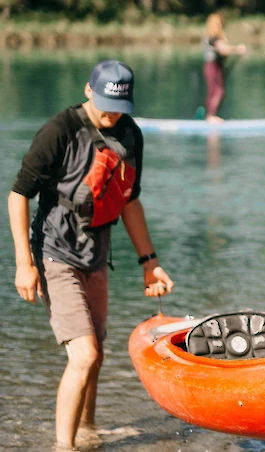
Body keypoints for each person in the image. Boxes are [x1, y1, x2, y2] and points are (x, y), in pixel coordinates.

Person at [8, 59, 175, 451]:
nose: (111, 113)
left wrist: (149, 262)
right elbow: (18, 195)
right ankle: (63, 447)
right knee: (82, 356)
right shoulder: (59, 131)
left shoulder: (130, 134)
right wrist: (23, 264)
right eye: (104, 103)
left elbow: (129, 201)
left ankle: (87, 430)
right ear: (88, 90)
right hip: (54, 252)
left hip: (96, 254)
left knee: (96, 355)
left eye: (119, 106)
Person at [202, 12, 247, 124]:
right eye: (219, 23)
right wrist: (237, 49)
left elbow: (223, 52)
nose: (221, 25)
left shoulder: (216, 37)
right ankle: (211, 116)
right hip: (212, 66)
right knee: (216, 91)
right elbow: (223, 49)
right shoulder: (213, 37)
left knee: (218, 90)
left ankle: (213, 115)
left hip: (217, 66)